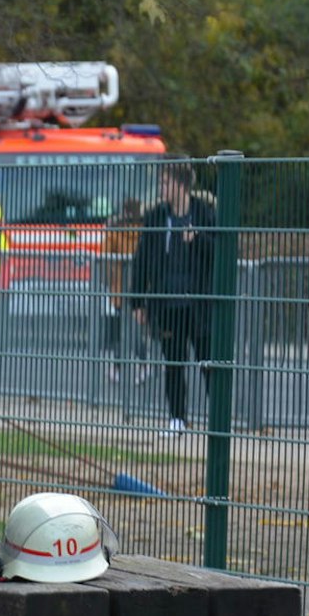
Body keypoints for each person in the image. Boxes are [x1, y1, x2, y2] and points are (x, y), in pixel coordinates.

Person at [129, 160, 216, 436]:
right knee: (173, 364)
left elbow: (220, 252)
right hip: (168, 304)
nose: (161, 188)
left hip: (199, 304)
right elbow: (142, 259)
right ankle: (177, 419)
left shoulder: (204, 212)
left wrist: (198, 239)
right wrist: (138, 300)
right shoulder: (156, 217)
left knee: (209, 362)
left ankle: (218, 419)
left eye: (165, 182)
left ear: (180, 184)